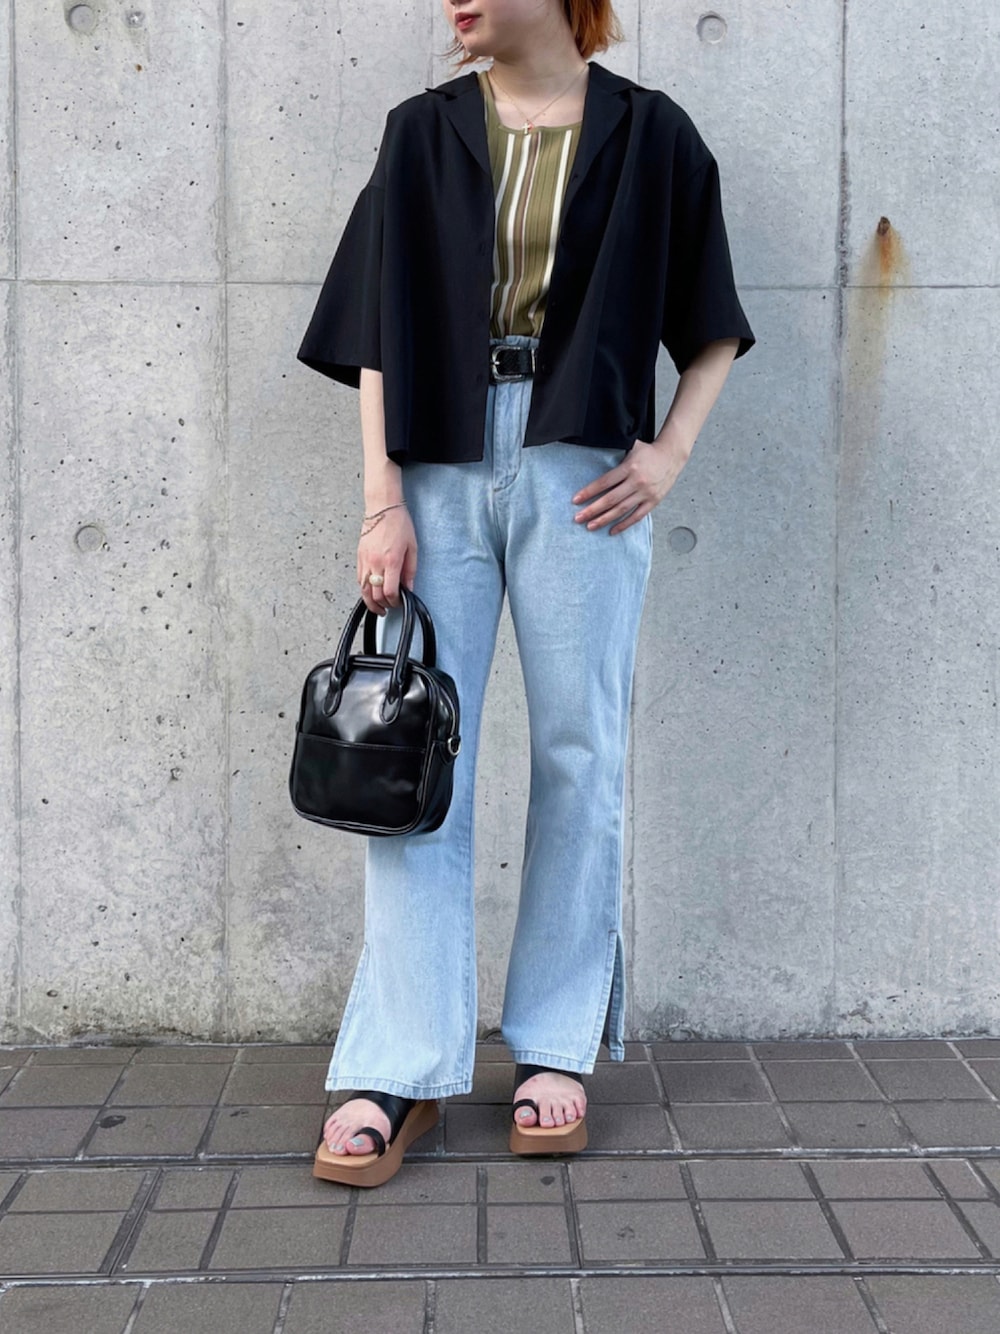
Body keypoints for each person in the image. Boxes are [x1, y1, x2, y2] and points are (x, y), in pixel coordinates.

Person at [298, 0, 754, 1187]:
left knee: (578, 750)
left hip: (582, 467)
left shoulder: (652, 134)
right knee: (409, 754)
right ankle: (399, 1062)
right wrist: (381, 499)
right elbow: (376, 327)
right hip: (438, 462)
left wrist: (666, 455)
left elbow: (710, 320)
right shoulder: (422, 131)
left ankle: (554, 1044)